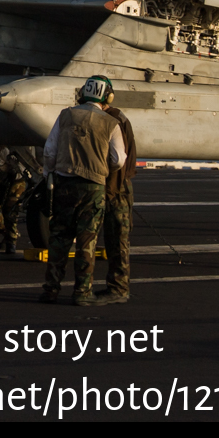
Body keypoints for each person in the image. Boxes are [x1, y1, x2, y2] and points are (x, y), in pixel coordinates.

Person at [39, 76, 126, 306]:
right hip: (93, 186)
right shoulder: (110, 123)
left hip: (65, 184)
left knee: (59, 239)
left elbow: (49, 151)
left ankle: (51, 289)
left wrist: (50, 173)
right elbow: (118, 160)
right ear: (108, 96)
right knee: (86, 241)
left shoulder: (66, 115)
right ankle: (82, 292)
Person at [100, 92, 138, 305]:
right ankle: (116, 287)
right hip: (116, 186)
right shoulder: (118, 117)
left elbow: (118, 160)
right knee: (116, 241)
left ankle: (118, 288)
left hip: (116, 187)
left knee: (118, 241)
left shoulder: (114, 120)